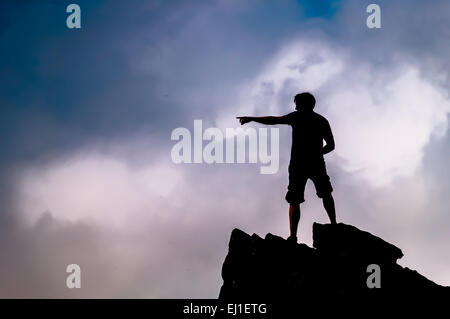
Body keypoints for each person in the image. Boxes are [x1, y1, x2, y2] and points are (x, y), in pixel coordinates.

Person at [237, 92, 337, 243]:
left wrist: (252, 119)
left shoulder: (302, 118)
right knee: (312, 195)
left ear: (305, 104)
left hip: (303, 164)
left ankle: (297, 235)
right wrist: (252, 118)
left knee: (306, 197)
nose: (295, 106)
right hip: (306, 164)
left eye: (297, 103)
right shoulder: (317, 120)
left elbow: (273, 120)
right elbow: (330, 146)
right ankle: (325, 227)